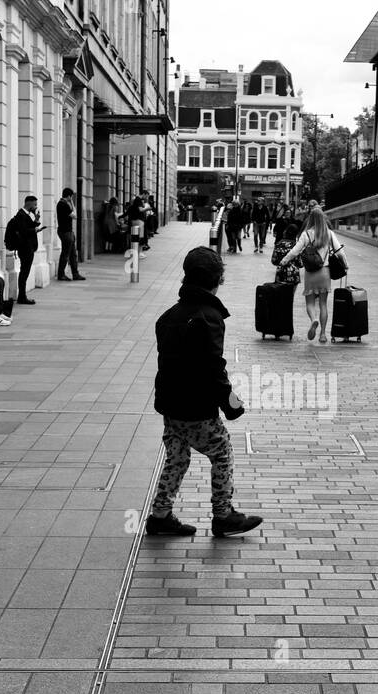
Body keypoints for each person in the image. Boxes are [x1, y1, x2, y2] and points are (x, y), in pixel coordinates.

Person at [147, 246, 263, 540]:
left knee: (178, 457)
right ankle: (223, 515)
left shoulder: (168, 316)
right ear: (217, 279)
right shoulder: (208, 317)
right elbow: (213, 367)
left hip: (171, 404)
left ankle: (160, 516)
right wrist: (230, 402)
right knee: (222, 451)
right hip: (195, 407)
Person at [279, 201, 345, 345]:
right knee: (323, 304)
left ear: (311, 219)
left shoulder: (306, 234)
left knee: (310, 302)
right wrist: (345, 265)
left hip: (311, 273)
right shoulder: (329, 233)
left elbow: (295, 251)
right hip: (325, 272)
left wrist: (283, 261)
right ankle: (322, 334)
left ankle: (313, 319)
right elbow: (340, 251)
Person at [6, 196, 41, 304]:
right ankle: (22, 296)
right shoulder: (21, 215)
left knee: (24, 272)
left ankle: (22, 295)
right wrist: (34, 229)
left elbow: (27, 228)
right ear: (29, 203)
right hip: (25, 248)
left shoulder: (25, 215)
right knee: (24, 273)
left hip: (27, 247)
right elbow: (23, 231)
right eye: (34, 204)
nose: (35, 207)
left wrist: (36, 220)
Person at [56, 188, 85, 282]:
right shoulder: (63, 205)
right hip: (65, 232)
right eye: (71, 196)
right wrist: (72, 203)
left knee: (73, 254)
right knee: (66, 254)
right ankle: (61, 274)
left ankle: (75, 273)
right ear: (68, 196)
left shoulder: (62, 204)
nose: (72, 198)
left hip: (67, 232)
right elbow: (75, 215)